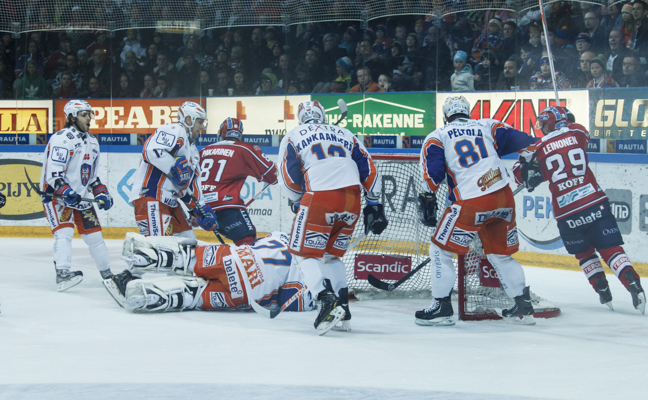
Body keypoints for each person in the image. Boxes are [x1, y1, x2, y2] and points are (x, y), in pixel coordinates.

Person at [417, 95, 538, 326]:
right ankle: (523, 306)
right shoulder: (488, 125)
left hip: (471, 202)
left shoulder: (438, 135)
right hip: (504, 199)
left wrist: (428, 198)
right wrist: (530, 167)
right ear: (468, 112)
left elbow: (432, 175)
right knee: (501, 255)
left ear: (445, 116)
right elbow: (528, 143)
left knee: (439, 250)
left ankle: (441, 307)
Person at [513, 106, 645, 314]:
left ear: (553, 123)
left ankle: (601, 288)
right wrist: (567, 121)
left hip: (567, 211)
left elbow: (519, 175)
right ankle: (633, 283)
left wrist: (535, 174)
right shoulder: (577, 132)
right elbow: (581, 133)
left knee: (584, 254)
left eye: (545, 124)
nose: (543, 128)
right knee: (610, 250)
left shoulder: (536, 147)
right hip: (594, 201)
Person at [278, 100, 388, 335]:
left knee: (303, 254)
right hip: (352, 199)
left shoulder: (293, 134)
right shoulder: (346, 133)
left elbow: (288, 177)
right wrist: (374, 204)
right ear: (323, 116)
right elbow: (369, 169)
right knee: (331, 256)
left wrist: (297, 199)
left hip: (319, 197)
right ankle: (343, 308)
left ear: (301, 118)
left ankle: (325, 300)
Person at [103, 231, 315, 315]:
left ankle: (145, 254)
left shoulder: (285, 235)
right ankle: (144, 296)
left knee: (185, 257)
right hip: (246, 292)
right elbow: (291, 304)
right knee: (191, 296)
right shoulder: (312, 282)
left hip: (234, 257)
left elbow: (256, 243)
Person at [38, 100, 114, 291]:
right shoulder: (61, 139)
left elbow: (92, 177)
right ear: (72, 117)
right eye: (83, 114)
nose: (89, 118)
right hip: (55, 196)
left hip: (78, 197)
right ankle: (63, 274)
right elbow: (53, 173)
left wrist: (102, 192)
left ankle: (108, 275)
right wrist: (65, 191)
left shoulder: (93, 142)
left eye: (89, 114)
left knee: (95, 236)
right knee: (64, 234)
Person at [128, 101, 218, 240]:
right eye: (199, 122)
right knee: (159, 247)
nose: (201, 127)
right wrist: (173, 168)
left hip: (170, 201)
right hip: (151, 196)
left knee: (188, 240)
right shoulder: (174, 130)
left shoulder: (193, 151)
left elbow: (190, 184)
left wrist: (200, 209)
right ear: (188, 120)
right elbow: (150, 150)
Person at [199, 118, 278, 246]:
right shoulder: (244, 149)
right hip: (227, 207)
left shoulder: (203, 151)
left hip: (205, 209)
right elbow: (271, 173)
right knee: (248, 242)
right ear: (239, 134)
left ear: (221, 133)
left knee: (246, 235)